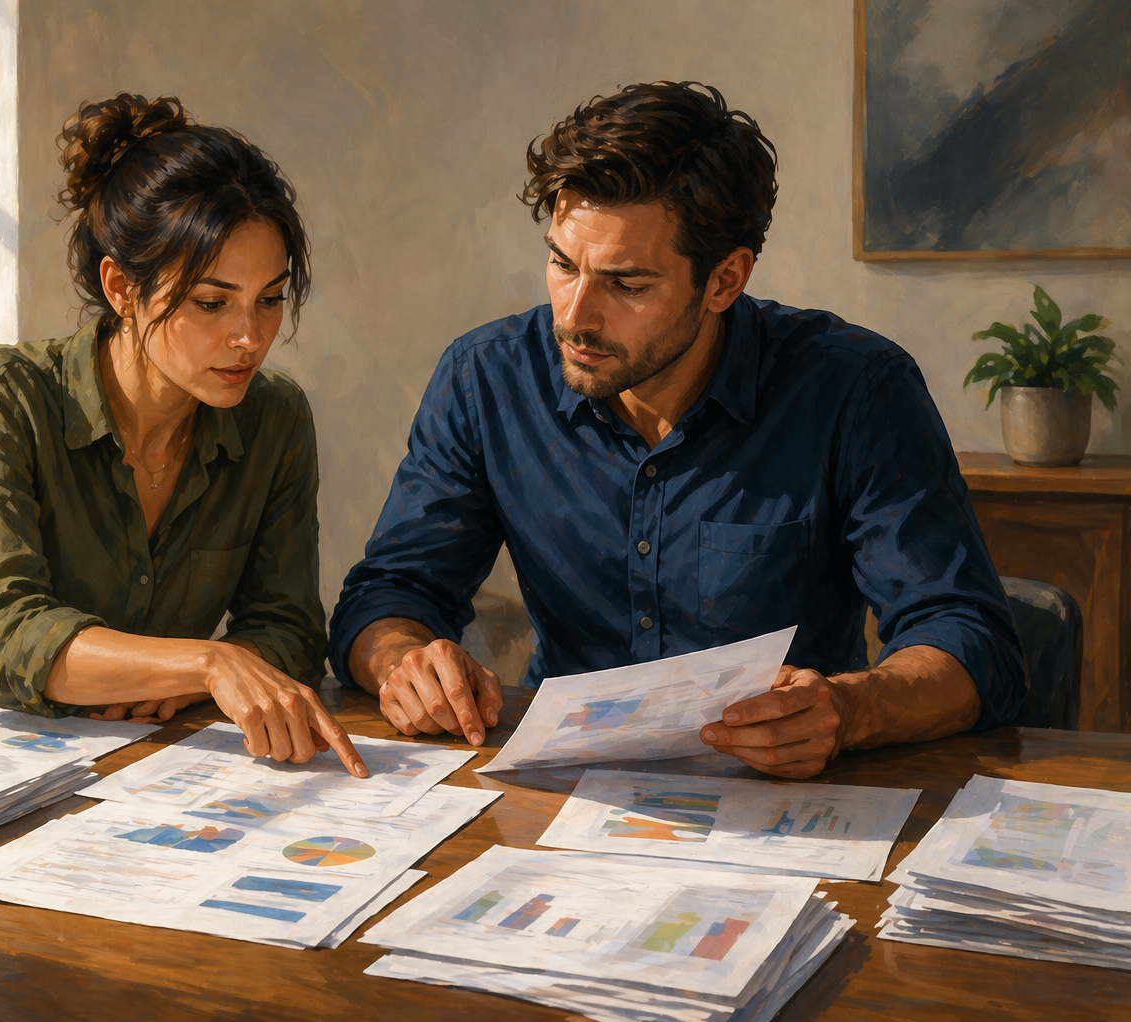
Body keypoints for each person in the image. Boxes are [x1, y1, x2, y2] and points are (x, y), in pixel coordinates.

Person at [329, 81, 1024, 779]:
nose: (575, 315)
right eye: (563, 264)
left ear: (725, 281)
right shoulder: (487, 379)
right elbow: (389, 593)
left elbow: (968, 641)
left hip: (783, 793)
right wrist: (402, 661)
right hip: (562, 790)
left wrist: (849, 709)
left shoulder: (855, 390)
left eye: (627, 285)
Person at [0, 94, 366, 777]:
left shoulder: (273, 419)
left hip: (107, 769)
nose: (250, 338)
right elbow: (5, 638)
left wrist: (173, 679)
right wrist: (205, 662)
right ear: (122, 289)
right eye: (212, 304)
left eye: (269, 299)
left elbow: (291, 630)